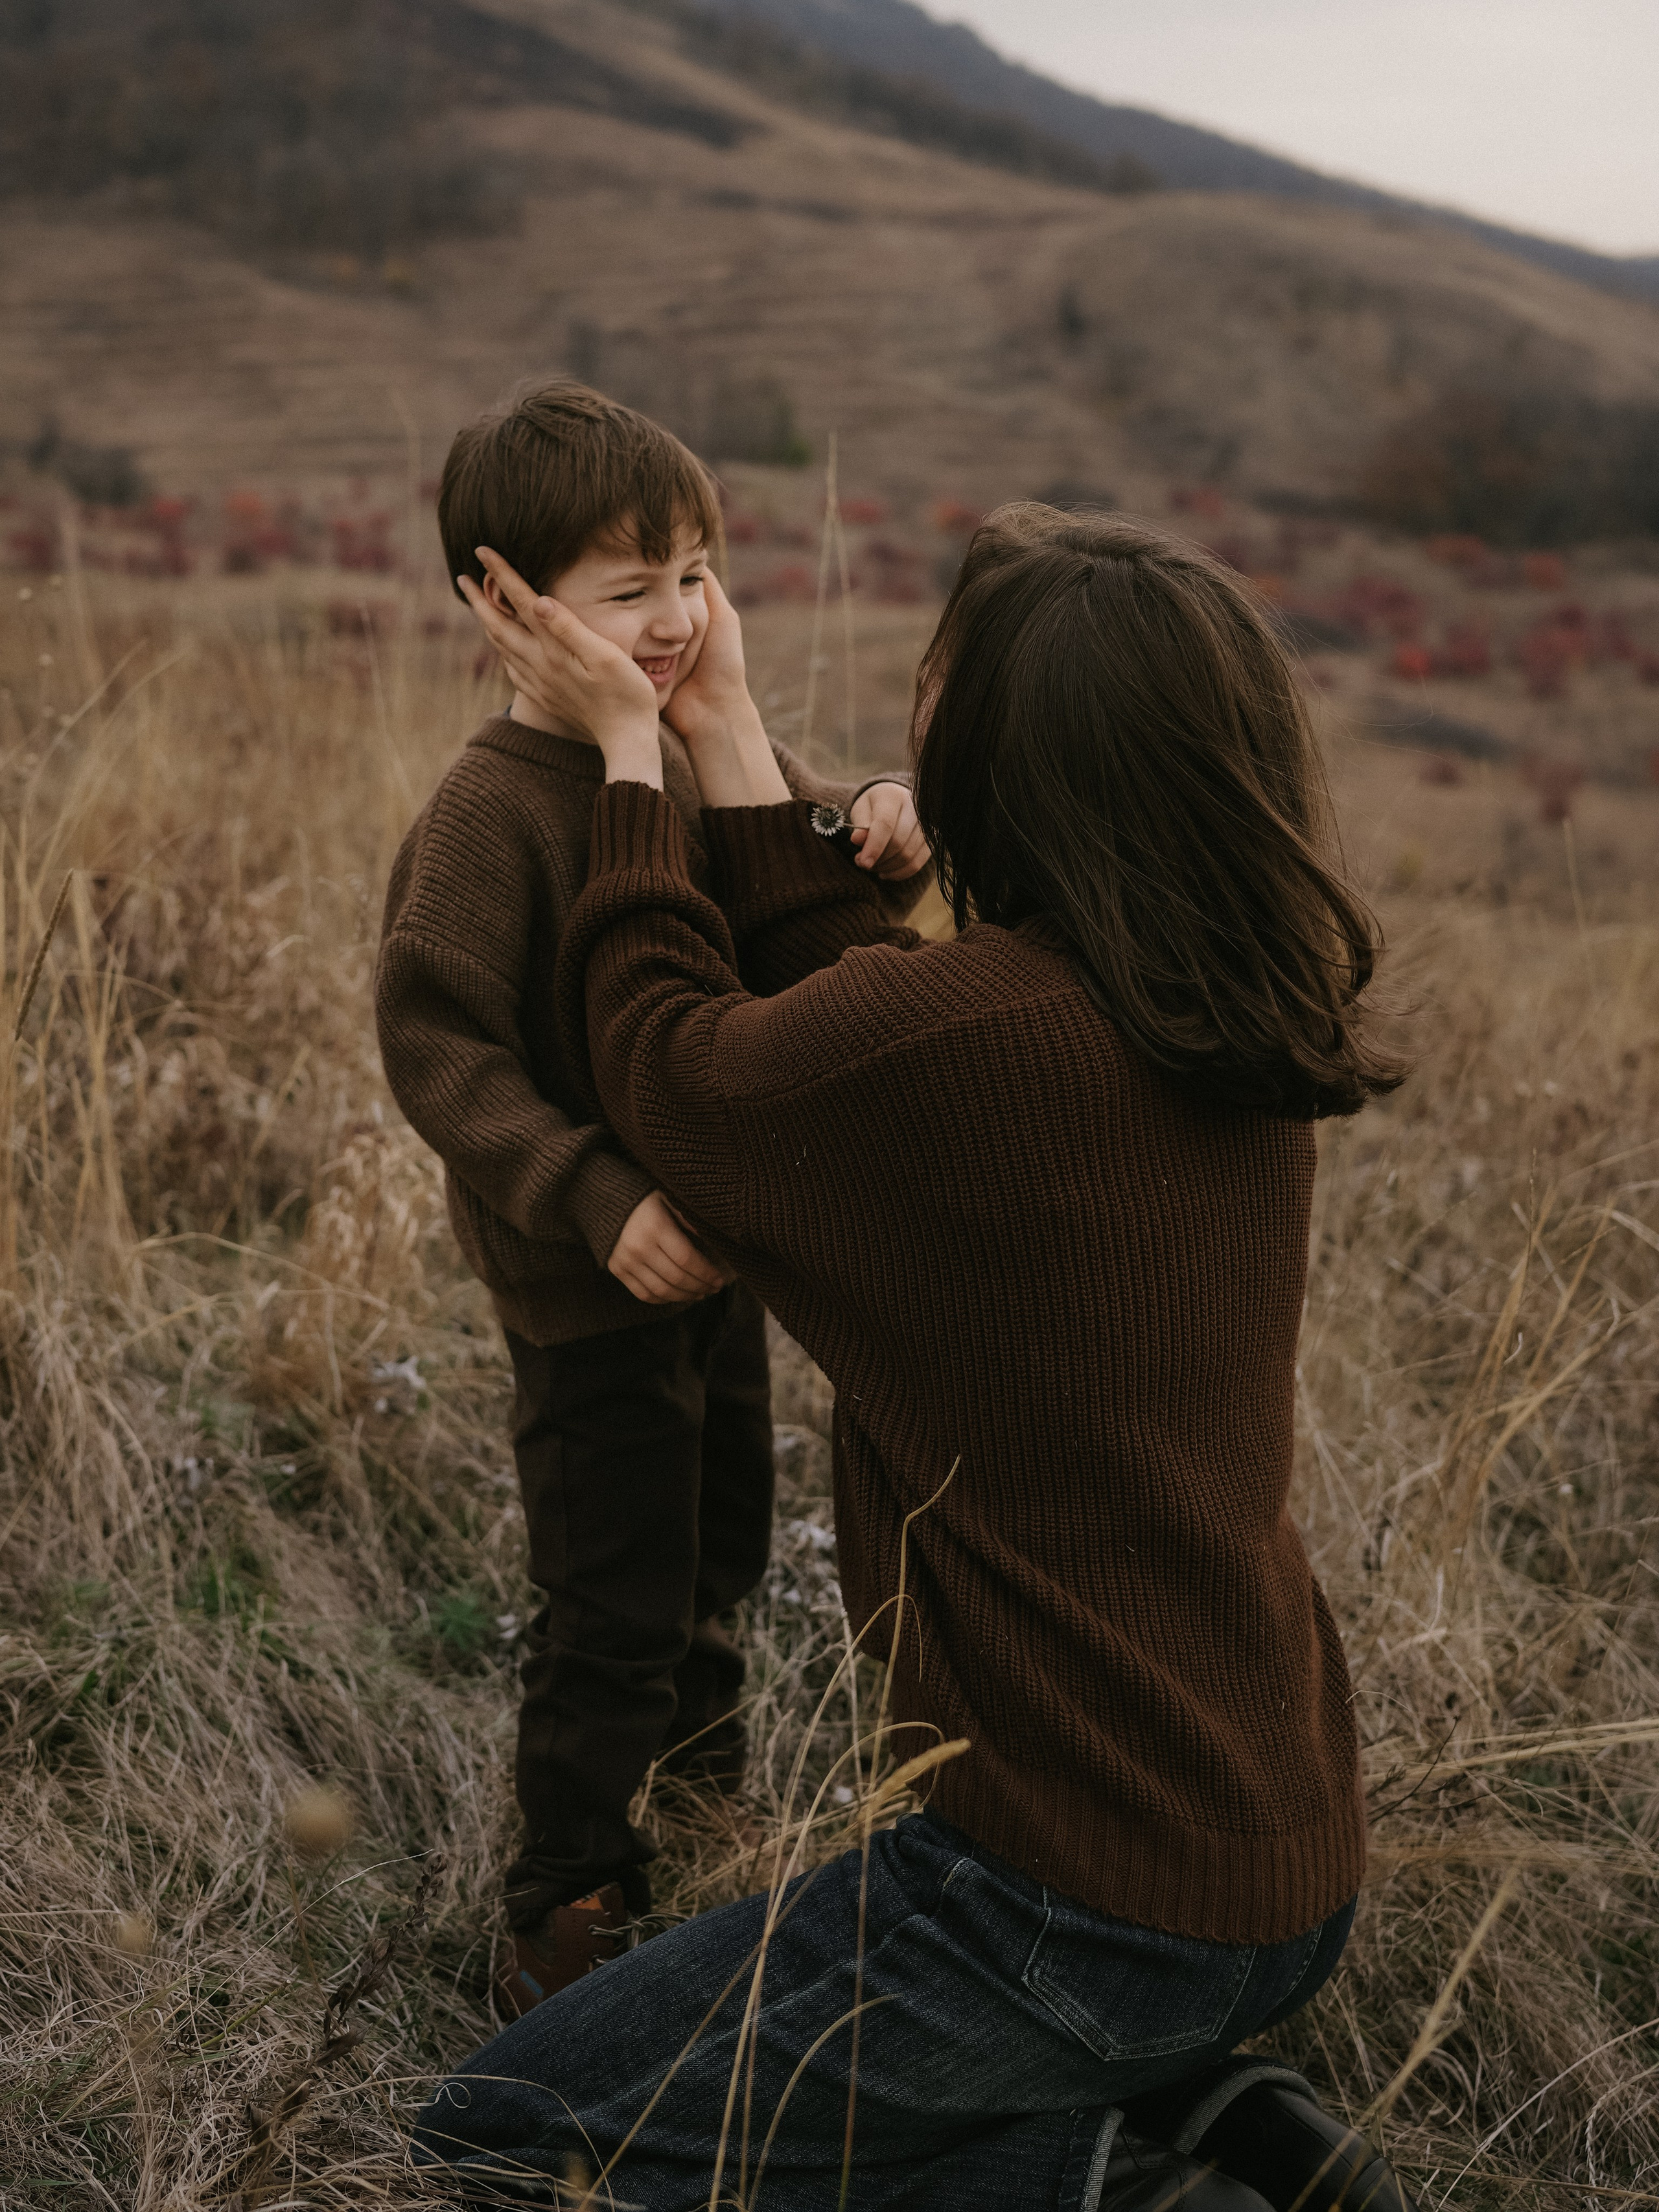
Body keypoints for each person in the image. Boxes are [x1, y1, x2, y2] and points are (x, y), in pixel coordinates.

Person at [412, 506, 1417, 2209]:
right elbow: (862, 1033)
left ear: (1002, 754)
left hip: (1064, 1906)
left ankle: (1125, 2184)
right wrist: (729, 725)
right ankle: (1215, 2115)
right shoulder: (1202, 1015)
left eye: (939, 681)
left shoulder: (952, 1052)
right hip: (1274, 1857)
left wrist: (636, 758)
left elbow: (674, 1065)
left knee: (509, 2137)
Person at [374, 380, 929, 2016]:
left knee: (720, 1555)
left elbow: (783, 861)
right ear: (507, 602)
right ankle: (563, 1905)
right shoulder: (488, 816)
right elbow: (439, 1046)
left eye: (692, 573)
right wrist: (591, 1190)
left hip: (718, 1264)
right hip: (587, 1278)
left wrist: (869, 830)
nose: (678, 619)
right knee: (609, 1593)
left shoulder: (688, 754)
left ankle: (700, 1812)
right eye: (630, 592)